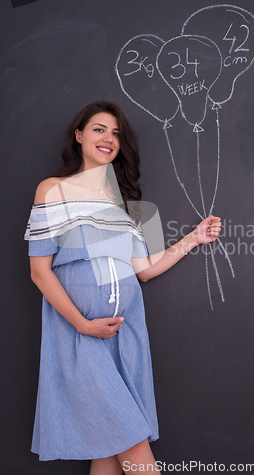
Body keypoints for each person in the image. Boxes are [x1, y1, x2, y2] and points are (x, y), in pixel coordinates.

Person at [24, 100, 222, 474]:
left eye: (116, 133)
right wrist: (83, 324)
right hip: (80, 335)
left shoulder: (130, 203)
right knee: (131, 444)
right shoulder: (53, 189)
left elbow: (144, 270)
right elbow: (40, 272)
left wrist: (193, 239)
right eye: (99, 129)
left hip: (126, 334)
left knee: (108, 448)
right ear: (79, 135)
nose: (108, 138)